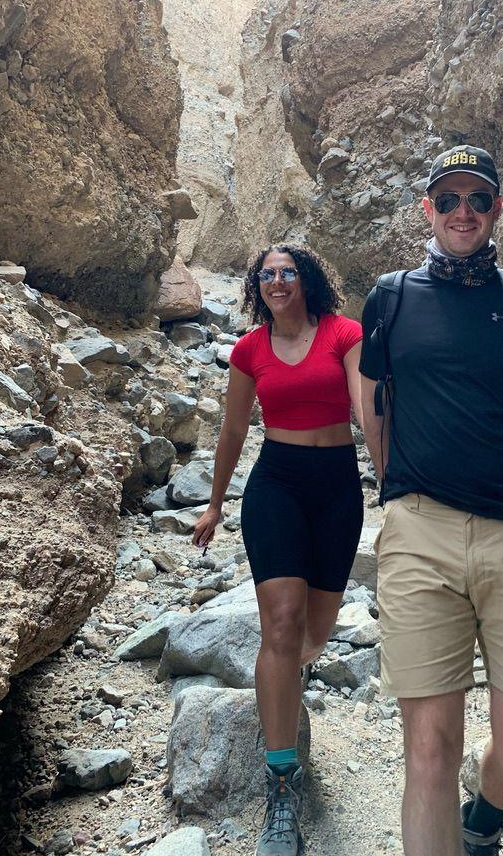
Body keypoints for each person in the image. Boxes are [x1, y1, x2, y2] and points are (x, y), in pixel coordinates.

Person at [358, 145, 503, 856]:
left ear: (498, 209)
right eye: (449, 199)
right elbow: (375, 406)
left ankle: (484, 819)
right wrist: (396, 488)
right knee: (428, 753)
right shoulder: (391, 297)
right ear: (426, 209)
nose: (464, 212)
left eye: (479, 200)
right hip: (420, 533)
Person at [192, 241, 365, 856]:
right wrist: (214, 503)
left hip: (339, 487)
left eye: (287, 271)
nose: (277, 280)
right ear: (256, 286)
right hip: (277, 486)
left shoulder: (345, 333)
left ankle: (285, 692)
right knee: (282, 626)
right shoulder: (249, 350)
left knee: (312, 637)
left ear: (306, 279)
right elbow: (234, 428)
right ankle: (281, 782)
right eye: (266, 274)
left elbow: (366, 410)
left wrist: (397, 478)